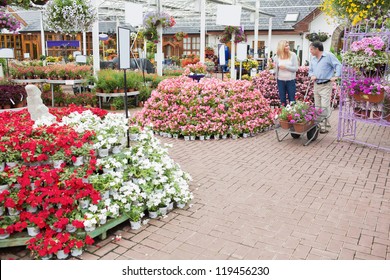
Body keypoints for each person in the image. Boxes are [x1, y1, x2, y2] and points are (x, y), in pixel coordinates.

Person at [308, 41, 342, 133]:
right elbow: (310, 71)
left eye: (311, 49)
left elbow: (338, 65)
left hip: (326, 84)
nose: (310, 51)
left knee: (324, 106)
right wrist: (312, 75)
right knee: (317, 106)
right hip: (316, 85)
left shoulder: (328, 56)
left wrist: (336, 76)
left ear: (317, 49)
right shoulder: (313, 59)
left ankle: (322, 127)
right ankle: (323, 123)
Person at [273, 40, 299, 106]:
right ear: (282, 47)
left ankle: (293, 115)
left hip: (290, 80)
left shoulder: (293, 55)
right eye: (286, 46)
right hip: (280, 80)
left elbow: (296, 68)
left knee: (292, 100)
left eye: (288, 45)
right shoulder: (277, 56)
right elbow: (275, 69)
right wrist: (272, 69)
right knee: (282, 100)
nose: (288, 47)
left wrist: (286, 67)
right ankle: (283, 114)